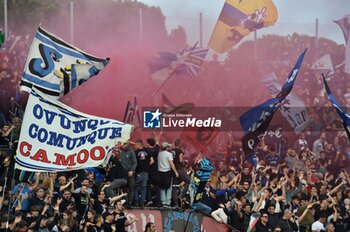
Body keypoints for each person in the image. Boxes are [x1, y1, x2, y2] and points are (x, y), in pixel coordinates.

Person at [133, 140, 154, 208]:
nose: (135, 146)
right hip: (146, 172)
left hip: (138, 172)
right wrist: (147, 166)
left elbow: (134, 162)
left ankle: (136, 203)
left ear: (139, 145)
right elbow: (152, 161)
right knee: (143, 188)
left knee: (136, 187)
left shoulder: (136, 152)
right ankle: (142, 204)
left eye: (136, 145)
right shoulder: (147, 151)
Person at [158, 142, 179, 207]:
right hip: (167, 172)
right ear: (166, 147)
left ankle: (163, 202)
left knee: (162, 188)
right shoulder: (169, 154)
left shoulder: (159, 154)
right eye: (168, 147)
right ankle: (168, 202)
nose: (169, 148)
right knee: (169, 188)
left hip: (160, 172)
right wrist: (175, 171)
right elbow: (171, 163)